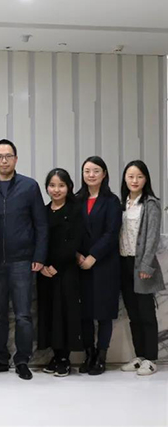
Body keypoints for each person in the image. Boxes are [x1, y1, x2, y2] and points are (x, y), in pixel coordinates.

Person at [0, 139, 48, 381]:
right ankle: (0, 359)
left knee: (23, 315)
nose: (4, 160)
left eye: (8, 156)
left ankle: (22, 360)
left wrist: (39, 256)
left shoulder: (29, 186)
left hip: (22, 260)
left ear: (16, 159)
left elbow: (41, 224)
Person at [75, 156, 122, 376]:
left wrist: (93, 256)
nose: (91, 175)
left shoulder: (112, 201)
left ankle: (101, 357)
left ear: (104, 174)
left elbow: (111, 233)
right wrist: (77, 255)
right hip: (80, 263)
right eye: (87, 171)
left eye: (95, 171)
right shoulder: (76, 200)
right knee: (84, 313)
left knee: (103, 313)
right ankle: (89, 354)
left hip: (105, 264)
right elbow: (70, 231)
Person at [118, 160, 164, 376]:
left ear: (146, 179)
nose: (134, 180)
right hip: (124, 262)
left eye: (139, 176)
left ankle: (151, 359)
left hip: (141, 264)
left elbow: (152, 237)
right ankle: (139, 356)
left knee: (146, 313)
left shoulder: (151, 204)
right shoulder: (123, 203)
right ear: (125, 179)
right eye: (130, 176)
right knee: (133, 314)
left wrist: (146, 264)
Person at [37, 168, 84, 377]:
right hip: (45, 272)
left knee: (65, 313)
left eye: (61, 185)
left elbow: (75, 241)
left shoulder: (75, 210)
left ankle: (65, 358)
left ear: (69, 187)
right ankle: (55, 355)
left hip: (66, 271)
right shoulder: (43, 211)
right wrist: (42, 265)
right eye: (52, 185)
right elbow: (39, 240)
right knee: (50, 313)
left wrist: (56, 265)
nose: (56, 190)